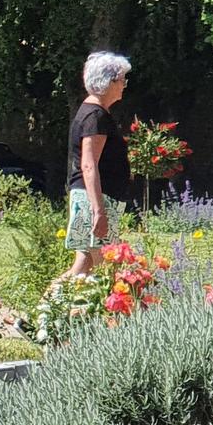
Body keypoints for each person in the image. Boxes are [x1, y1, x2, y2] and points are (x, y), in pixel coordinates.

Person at [63, 51, 135, 276]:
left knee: (85, 266)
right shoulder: (95, 117)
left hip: (91, 198)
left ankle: (48, 309)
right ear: (109, 81)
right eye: (122, 79)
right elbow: (88, 164)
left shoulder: (93, 112)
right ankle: (48, 309)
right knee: (104, 267)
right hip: (94, 199)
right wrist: (98, 212)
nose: (124, 85)